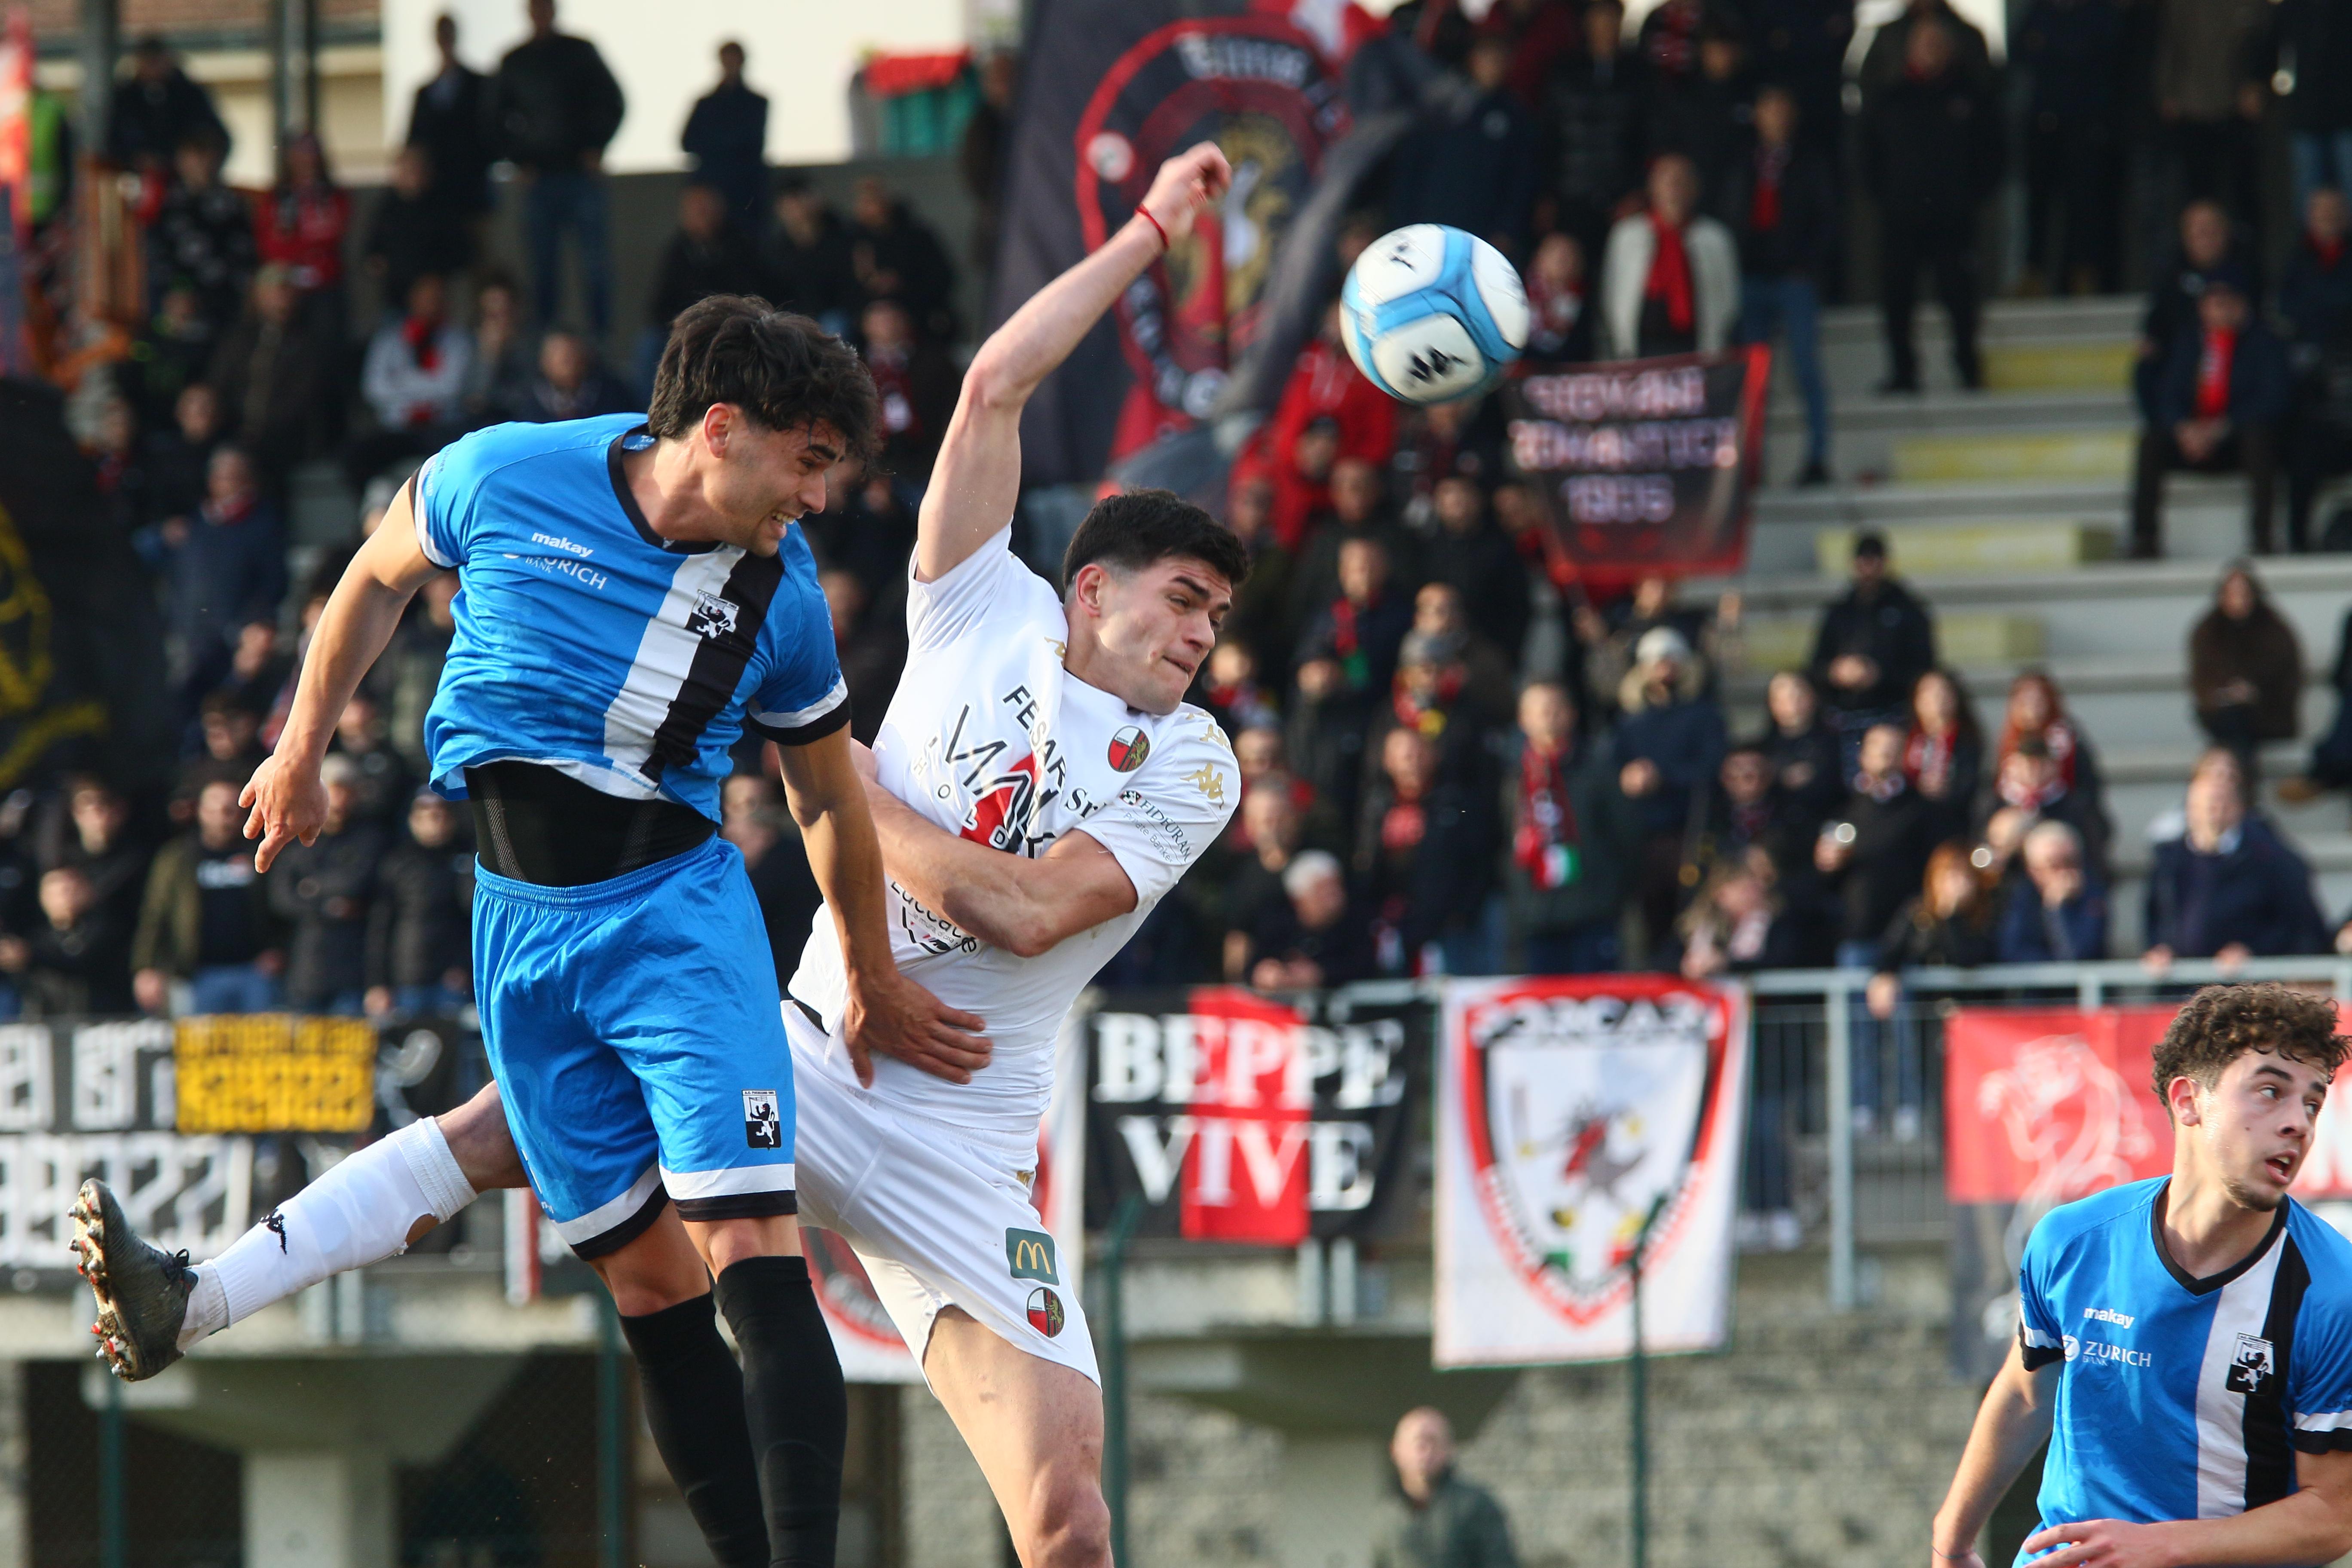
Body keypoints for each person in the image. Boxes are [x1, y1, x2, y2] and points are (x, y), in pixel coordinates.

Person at [80, 147, 1244, 1568]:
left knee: (1067, 1525)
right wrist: (1148, 228)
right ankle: (200, 1297)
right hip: (811, 1040)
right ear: (1091, 585)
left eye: (1218, 619)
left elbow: (1023, 911)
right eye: (1185, 599)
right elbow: (996, 379)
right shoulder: (977, 603)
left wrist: (842, 786)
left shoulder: (1197, 760)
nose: (1201, 636)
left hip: (964, 1136)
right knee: (508, 1142)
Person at [1929, 984, 2352, 1568]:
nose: (2298, 1124)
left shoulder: (2332, 1293)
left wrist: (2161, 1546)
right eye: (2270, 1092)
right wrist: (1951, 1539)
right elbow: (2027, 1392)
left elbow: (2334, 1515)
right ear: (2188, 1101)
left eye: (2312, 1102)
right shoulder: (2071, 1240)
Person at [1861, 16, 2005, 393]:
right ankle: (1903, 372)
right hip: (1902, 219)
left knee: (1961, 298)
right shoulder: (1890, 100)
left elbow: (1993, 154)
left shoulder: (1971, 98)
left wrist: (1969, 198)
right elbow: (1868, 158)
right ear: (1910, 50)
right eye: (1925, 44)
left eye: (1938, 44)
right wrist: (1889, 199)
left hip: (1953, 219)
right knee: (1898, 299)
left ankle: (1968, 368)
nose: (1931, 51)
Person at [1719, 84, 1834, 483]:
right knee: (1753, 376)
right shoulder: (1740, 161)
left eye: (1784, 108)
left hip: (1794, 279)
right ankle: (1752, 464)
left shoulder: (1811, 161)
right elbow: (1729, 212)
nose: (1777, 117)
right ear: (1757, 114)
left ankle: (1817, 457)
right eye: (1770, 108)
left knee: (1806, 366)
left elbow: (1826, 217)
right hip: (1749, 279)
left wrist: (1808, 264)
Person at [492, 0, 626, 333]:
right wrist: (519, 160)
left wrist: (597, 145)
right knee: (542, 272)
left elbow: (613, 100)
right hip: (539, 178)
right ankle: (546, 348)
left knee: (595, 269)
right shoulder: (516, 61)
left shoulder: (580, 52)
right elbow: (492, 118)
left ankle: (600, 344)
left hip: (580, 174)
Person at [2133, 279, 2290, 557]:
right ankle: (2144, 539)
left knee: (2259, 439)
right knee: (2151, 442)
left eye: (2226, 304)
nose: (2220, 312)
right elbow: (2168, 395)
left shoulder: (2264, 342)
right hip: (2193, 441)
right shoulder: (2189, 343)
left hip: (2235, 442)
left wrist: (2223, 428)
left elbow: (2272, 399)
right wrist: (2183, 428)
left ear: (2242, 307)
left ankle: (2262, 539)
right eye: (2213, 305)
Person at [2144, 748, 2331, 967]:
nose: (2213, 812)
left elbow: (2294, 923)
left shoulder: (2267, 856)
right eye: (2206, 804)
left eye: (2220, 803)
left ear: (2238, 806)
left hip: (2247, 982)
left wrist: (2254, 950)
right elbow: (2156, 916)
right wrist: (2161, 948)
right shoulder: (2170, 860)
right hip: (2182, 982)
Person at [1505, 680, 1634, 973]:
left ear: (1572, 714)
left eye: (1556, 708)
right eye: (1540, 710)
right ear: (1523, 719)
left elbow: (1627, 838)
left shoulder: (1599, 770)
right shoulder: (1511, 780)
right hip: (1535, 919)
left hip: (1593, 915)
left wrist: (1610, 895)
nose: (1549, 716)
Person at [132, 777, 284, 1016]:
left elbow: (280, 906)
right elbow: (155, 914)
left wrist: (278, 949)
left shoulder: (262, 853)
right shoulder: (177, 858)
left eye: (230, 810)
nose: (223, 818)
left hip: (254, 972)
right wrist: (147, 967)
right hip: (197, 976)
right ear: (200, 812)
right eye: (214, 810)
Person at [1387, 33, 1538, 256]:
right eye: (1487, 56)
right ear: (1473, 59)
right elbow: (1411, 167)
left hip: (1484, 232)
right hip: (1432, 224)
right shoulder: (1442, 105)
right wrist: (1403, 224)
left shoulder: (1515, 115)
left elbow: (1521, 179)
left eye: (1500, 57)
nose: (1493, 64)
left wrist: (1507, 230)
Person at [2014, 0, 2125, 297]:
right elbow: (2019, 52)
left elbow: (2103, 56)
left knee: (2084, 203)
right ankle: (2034, 273)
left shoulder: (2100, 13)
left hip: (2086, 125)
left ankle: (2080, 273)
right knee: (2037, 202)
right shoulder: (2039, 11)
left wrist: (2051, 46)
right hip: (2043, 123)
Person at [1814, 722, 1938, 971]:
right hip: (1857, 934)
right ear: (1863, 755)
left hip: (1908, 937)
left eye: (1893, 747)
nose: (1885, 753)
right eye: (1878, 746)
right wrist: (1826, 865)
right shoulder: (1844, 807)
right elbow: (1826, 882)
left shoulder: (1922, 809)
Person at [1599, 152, 1740, 358]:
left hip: (1697, 348)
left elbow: (1729, 297)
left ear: (1695, 189)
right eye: (1666, 180)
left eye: (1681, 181)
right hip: (1640, 349)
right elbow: (1611, 292)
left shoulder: (1715, 238)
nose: (1673, 188)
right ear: (1652, 188)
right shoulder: (1627, 234)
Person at [206, 265, 336, 482]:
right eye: (272, 291)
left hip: (285, 440)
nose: (280, 298)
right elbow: (218, 383)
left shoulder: (310, 343)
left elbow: (303, 398)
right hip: (234, 432)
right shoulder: (238, 339)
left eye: (285, 291)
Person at [1541, 0, 1649, 260]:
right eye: (1599, 18)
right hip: (1570, 198)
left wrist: (1637, 192)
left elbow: (1647, 138)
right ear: (1587, 22)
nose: (1605, 26)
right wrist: (1546, 195)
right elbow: (1549, 137)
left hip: (1621, 201)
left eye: (1612, 18)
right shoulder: (1564, 71)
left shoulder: (1639, 74)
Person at [1806, 531, 1938, 738]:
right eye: (1863, 561)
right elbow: (1815, 666)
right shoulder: (1839, 612)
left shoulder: (1909, 611)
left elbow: (1924, 669)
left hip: (1893, 714)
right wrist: (1835, 672)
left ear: (1885, 563)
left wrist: (1880, 675)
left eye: (1873, 560)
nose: (1868, 568)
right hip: (1844, 718)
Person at [642, 183, 770, 392]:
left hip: (734, 325)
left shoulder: (742, 246)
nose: (701, 216)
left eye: (705, 209)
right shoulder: (677, 253)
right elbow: (659, 305)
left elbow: (753, 296)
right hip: (686, 328)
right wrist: (680, 323)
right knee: (649, 344)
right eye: (694, 210)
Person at [2154, 0, 2270, 227]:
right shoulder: (2181, 6)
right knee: (2196, 193)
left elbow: (2263, 39)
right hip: (2192, 106)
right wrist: (2168, 91)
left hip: (2237, 106)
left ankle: (2243, 243)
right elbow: (2169, 43)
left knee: (2242, 191)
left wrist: (2256, 84)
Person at [353, 273, 475, 486]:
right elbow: (374, 389)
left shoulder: (459, 340)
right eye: (425, 298)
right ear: (412, 299)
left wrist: (400, 383)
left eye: (437, 298)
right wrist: (430, 384)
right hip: (397, 428)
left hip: (443, 427)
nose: (431, 305)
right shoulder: (389, 339)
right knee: (358, 456)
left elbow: (452, 388)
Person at [366, 791, 474, 1018]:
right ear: (412, 821)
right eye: (425, 816)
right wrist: (378, 983)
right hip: (407, 979)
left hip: (454, 980)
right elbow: (381, 926)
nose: (434, 823)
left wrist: (464, 965)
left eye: (439, 815)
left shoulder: (468, 861)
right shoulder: (398, 863)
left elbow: (473, 920)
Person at [2189, 562, 2305, 772]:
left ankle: (2233, 778)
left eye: (2243, 593)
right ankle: (2239, 781)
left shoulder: (2275, 632)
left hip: (2268, 713)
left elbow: (2287, 681)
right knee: (2234, 723)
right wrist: (2227, 693)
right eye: (2232, 593)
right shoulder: (2208, 633)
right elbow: (2202, 680)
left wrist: (2254, 693)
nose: (2238, 599)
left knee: (2237, 728)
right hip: (2222, 713)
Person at [1371, 1407, 1519, 1568]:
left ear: (1450, 1449)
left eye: (1433, 1441)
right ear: (1395, 1450)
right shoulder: (1388, 1513)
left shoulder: (1476, 1506)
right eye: (1417, 1443)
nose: (1426, 1451)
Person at [147, 133, 257, 337]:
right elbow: (158, 254)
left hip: (224, 298)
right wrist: (175, 294)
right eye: (195, 157)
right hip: (178, 297)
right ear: (181, 161)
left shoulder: (232, 203)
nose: (202, 165)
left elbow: (245, 253)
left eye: (207, 157)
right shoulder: (168, 203)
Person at [405, 13, 497, 227]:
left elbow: (492, 131)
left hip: (471, 187)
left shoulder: (479, 85)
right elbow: (414, 142)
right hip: (436, 194)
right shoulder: (426, 93)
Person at [847, 176, 958, 344]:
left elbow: (943, 277)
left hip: (915, 307)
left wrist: (901, 284)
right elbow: (841, 287)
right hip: (865, 311)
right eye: (865, 201)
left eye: (875, 199)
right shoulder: (851, 241)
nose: (871, 207)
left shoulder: (918, 236)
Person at [364, 147, 475, 312]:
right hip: (396, 300)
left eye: (415, 169)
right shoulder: (387, 210)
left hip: (435, 303)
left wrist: (434, 278)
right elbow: (371, 250)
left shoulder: (442, 209)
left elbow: (462, 253)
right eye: (406, 170)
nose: (411, 176)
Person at [256, 133, 351, 321]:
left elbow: (334, 234)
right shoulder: (277, 198)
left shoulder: (333, 197)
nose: (307, 160)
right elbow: (271, 243)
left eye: (312, 153)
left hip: (325, 283)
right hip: (285, 285)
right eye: (301, 153)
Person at [1250, 849, 1378, 989]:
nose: (1333, 898)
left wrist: (1322, 974)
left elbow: (1365, 968)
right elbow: (1254, 966)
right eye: (1322, 891)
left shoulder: (1357, 923)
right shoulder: (1277, 924)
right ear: (1299, 900)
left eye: (1336, 887)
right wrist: (1267, 973)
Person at [106, 36, 230, 180]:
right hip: (136, 181)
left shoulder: (190, 96)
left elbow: (212, 136)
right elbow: (114, 141)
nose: (152, 68)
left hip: (184, 180)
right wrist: (136, 159)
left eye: (156, 61)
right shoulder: (126, 98)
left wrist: (184, 160)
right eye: (148, 61)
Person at [2272, 0, 2352, 219]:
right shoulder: (2293, 7)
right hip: (2307, 114)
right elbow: (2273, 44)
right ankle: (2309, 242)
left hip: (2344, 115)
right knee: (2308, 199)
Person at [681, 42, 770, 239]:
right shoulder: (707, 104)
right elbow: (687, 142)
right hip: (717, 185)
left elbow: (754, 143)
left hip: (744, 188)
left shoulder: (755, 103)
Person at [1995, 818, 2107, 964]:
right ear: (2034, 871)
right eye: (2054, 865)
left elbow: (2078, 954)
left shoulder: (2092, 893)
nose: (2064, 873)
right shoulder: (2021, 895)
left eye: (2070, 862)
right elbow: (2012, 951)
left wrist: (2057, 909)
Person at [763, 178, 860, 337]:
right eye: (789, 206)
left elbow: (850, 287)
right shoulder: (776, 249)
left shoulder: (843, 239)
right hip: (792, 316)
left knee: (834, 325)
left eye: (799, 203)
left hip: (835, 314)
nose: (796, 211)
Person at [1903, 668, 1982, 846]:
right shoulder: (1906, 737)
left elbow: (1969, 783)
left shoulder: (1967, 738)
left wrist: (1946, 789)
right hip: (1909, 821)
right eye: (1929, 693)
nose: (1937, 699)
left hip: (1951, 821)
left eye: (1944, 692)